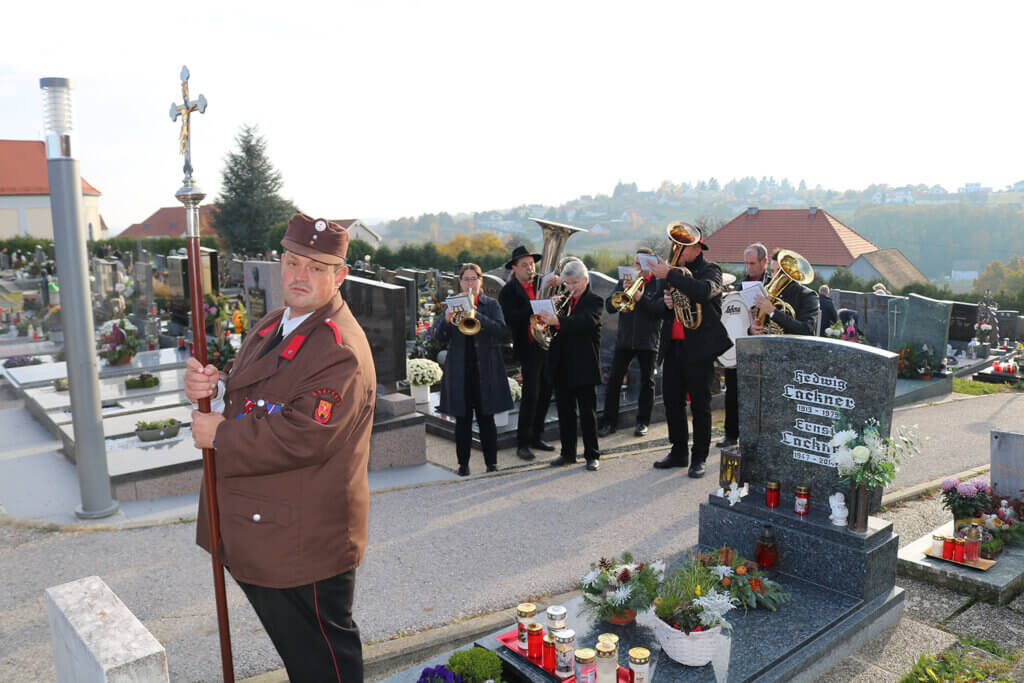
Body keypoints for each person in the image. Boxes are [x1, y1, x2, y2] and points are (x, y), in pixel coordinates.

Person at [184, 213, 376, 681]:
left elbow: (303, 435)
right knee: (303, 658)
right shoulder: (277, 323)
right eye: (292, 262)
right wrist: (213, 383)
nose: (300, 275)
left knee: (323, 663)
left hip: (300, 542)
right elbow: (261, 390)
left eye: (315, 267)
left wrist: (220, 434)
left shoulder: (339, 348)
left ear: (340, 276)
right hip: (266, 528)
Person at [651, 223, 732, 477]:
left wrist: (671, 275)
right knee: (673, 402)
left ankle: (699, 458)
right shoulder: (673, 272)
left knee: (700, 404)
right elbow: (662, 309)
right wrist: (666, 303)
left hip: (699, 348)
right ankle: (678, 452)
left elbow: (705, 291)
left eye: (682, 246)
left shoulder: (711, 270)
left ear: (697, 248)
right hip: (674, 345)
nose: (677, 250)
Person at [432, 263, 513, 476]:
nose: (470, 283)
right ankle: (463, 464)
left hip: (484, 369)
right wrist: (447, 322)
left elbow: (503, 332)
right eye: (466, 279)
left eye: (473, 278)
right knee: (463, 420)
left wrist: (478, 316)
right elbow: (438, 338)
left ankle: (491, 463)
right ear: (460, 282)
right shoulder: (452, 304)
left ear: (480, 281)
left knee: (487, 419)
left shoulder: (491, 304)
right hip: (460, 370)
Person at [539, 259, 604, 470]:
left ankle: (592, 455)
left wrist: (558, 320)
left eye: (575, 282)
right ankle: (567, 454)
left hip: (583, 364)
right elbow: (555, 332)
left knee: (587, 413)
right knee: (565, 413)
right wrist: (550, 315)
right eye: (567, 283)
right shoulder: (564, 300)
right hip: (562, 365)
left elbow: (587, 322)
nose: (571, 287)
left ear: (585, 280)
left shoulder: (595, 300)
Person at [599, 248, 664, 438]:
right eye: (635, 263)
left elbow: (658, 311)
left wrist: (639, 298)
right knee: (614, 381)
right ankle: (609, 422)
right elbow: (610, 307)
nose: (638, 267)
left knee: (647, 382)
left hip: (648, 340)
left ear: (650, 265)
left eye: (641, 263)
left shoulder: (658, 284)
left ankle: (643, 422)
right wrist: (622, 291)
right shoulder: (624, 280)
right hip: (625, 339)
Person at [499, 245, 556, 461]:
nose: (530, 268)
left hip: (545, 344)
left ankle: (536, 436)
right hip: (528, 347)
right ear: (514, 268)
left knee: (545, 392)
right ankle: (522, 442)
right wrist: (536, 307)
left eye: (532, 264)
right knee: (531, 395)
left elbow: (555, 305)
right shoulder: (508, 291)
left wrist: (557, 288)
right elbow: (510, 318)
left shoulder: (542, 282)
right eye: (524, 265)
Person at [717, 242, 769, 448]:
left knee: (760, 395)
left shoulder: (772, 284)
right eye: (746, 263)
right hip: (741, 345)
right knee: (732, 392)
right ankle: (731, 434)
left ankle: (759, 437)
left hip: (764, 347)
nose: (749, 268)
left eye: (753, 263)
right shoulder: (739, 287)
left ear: (764, 262)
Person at [751, 248, 820, 336]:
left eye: (780, 272)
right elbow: (758, 325)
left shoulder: (808, 295)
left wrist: (773, 312)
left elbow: (806, 329)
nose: (775, 276)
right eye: (772, 271)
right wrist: (752, 329)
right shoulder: (766, 291)